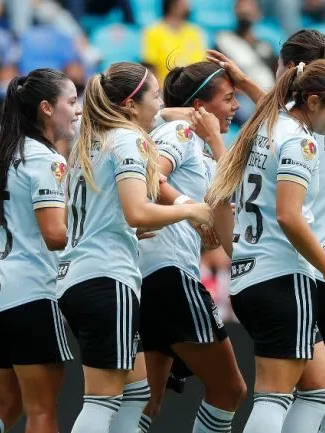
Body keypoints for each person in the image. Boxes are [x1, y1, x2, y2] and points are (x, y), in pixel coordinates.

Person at [56, 61, 214, 433]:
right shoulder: (130, 139)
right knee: (102, 399)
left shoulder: (91, 139)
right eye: (155, 96)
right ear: (129, 105)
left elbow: (112, 212)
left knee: (137, 391)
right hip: (106, 277)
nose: (159, 105)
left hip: (78, 276)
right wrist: (190, 209)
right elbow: (136, 211)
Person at [206, 58, 325, 433]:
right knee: (273, 396)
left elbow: (222, 197)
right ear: (315, 101)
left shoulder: (265, 127)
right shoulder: (300, 142)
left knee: (321, 387)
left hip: (251, 276)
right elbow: (289, 216)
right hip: (282, 278)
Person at [0, 68, 80, 433]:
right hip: (29, 295)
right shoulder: (47, 161)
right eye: (72, 102)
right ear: (47, 108)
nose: (77, 111)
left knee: (4, 405)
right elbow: (55, 235)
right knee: (41, 410)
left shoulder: (2, 156)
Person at [137, 61, 247, 433]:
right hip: (168, 273)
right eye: (229, 99)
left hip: (152, 273)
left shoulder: (196, 141)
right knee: (230, 389)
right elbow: (151, 179)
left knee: (146, 402)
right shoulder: (181, 131)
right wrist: (189, 209)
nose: (235, 107)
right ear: (201, 107)